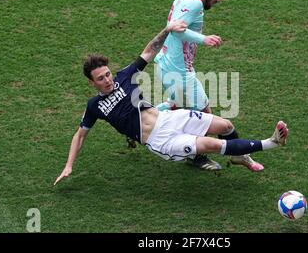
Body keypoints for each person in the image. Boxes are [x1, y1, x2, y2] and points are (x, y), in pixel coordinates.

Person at [54, 20, 289, 186]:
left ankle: (240, 156)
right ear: (91, 82)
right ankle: (271, 143)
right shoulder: (94, 106)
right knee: (211, 144)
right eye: (100, 78)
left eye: (107, 74)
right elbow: (80, 135)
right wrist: (69, 165)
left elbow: (149, 51)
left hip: (169, 118)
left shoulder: (124, 76)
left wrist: (167, 29)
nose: (107, 80)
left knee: (225, 126)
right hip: (161, 139)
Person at [154, 0, 263, 171]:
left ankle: (138, 117)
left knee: (179, 108)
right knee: (206, 115)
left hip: (170, 64)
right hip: (179, 72)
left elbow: (173, 26)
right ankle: (228, 155)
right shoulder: (194, 2)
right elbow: (176, 30)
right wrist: (204, 39)